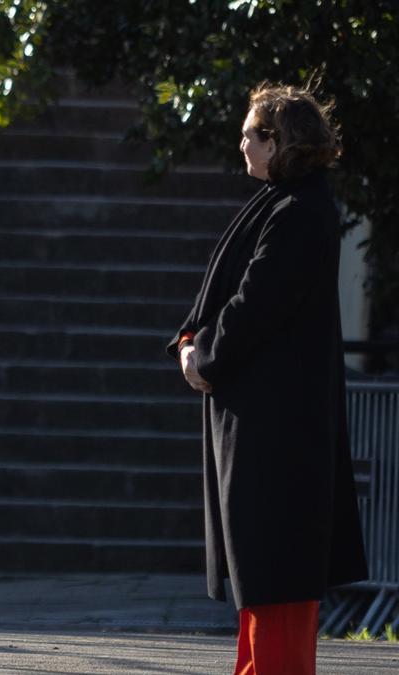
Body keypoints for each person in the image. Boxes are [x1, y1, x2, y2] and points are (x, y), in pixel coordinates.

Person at [166, 82, 368, 675]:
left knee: (276, 589)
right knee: (262, 591)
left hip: (279, 436)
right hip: (263, 426)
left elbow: (253, 306)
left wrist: (201, 360)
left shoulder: (301, 212)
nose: (243, 142)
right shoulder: (282, 203)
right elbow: (221, 294)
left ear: (282, 141)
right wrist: (189, 343)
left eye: (254, 133)